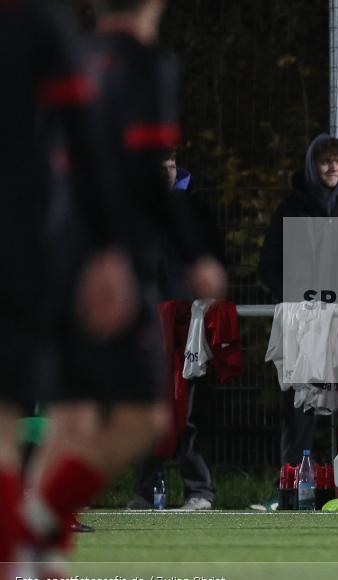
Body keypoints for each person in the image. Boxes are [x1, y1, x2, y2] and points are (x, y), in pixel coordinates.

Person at [19, 0, 226, 578]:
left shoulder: (73, 58)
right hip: (107, 265)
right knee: (142, 417)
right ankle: (38, 518)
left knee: (71, 412)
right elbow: (144, 171)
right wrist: (191, 253)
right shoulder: (146, 64)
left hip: (54, 255)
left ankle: (39, 541)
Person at [256, 134, 338, 509]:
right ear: (313, 164)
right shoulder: (292, 207)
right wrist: (292, 300)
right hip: (306, 321)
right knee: (302, 410)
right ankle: (293, 491)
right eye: (326, 161)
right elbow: (269, 264)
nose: (333, 168)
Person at [126, 151, 226, 511]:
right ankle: (148, 489)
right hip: (148, 322)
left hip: (188, 323)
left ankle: (198, 489)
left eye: (170, 165)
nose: (167, 172)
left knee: (188, 408)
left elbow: (215, 258)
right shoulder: (135, 212)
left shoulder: (194, 210)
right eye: (159, 166)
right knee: (150, 407)